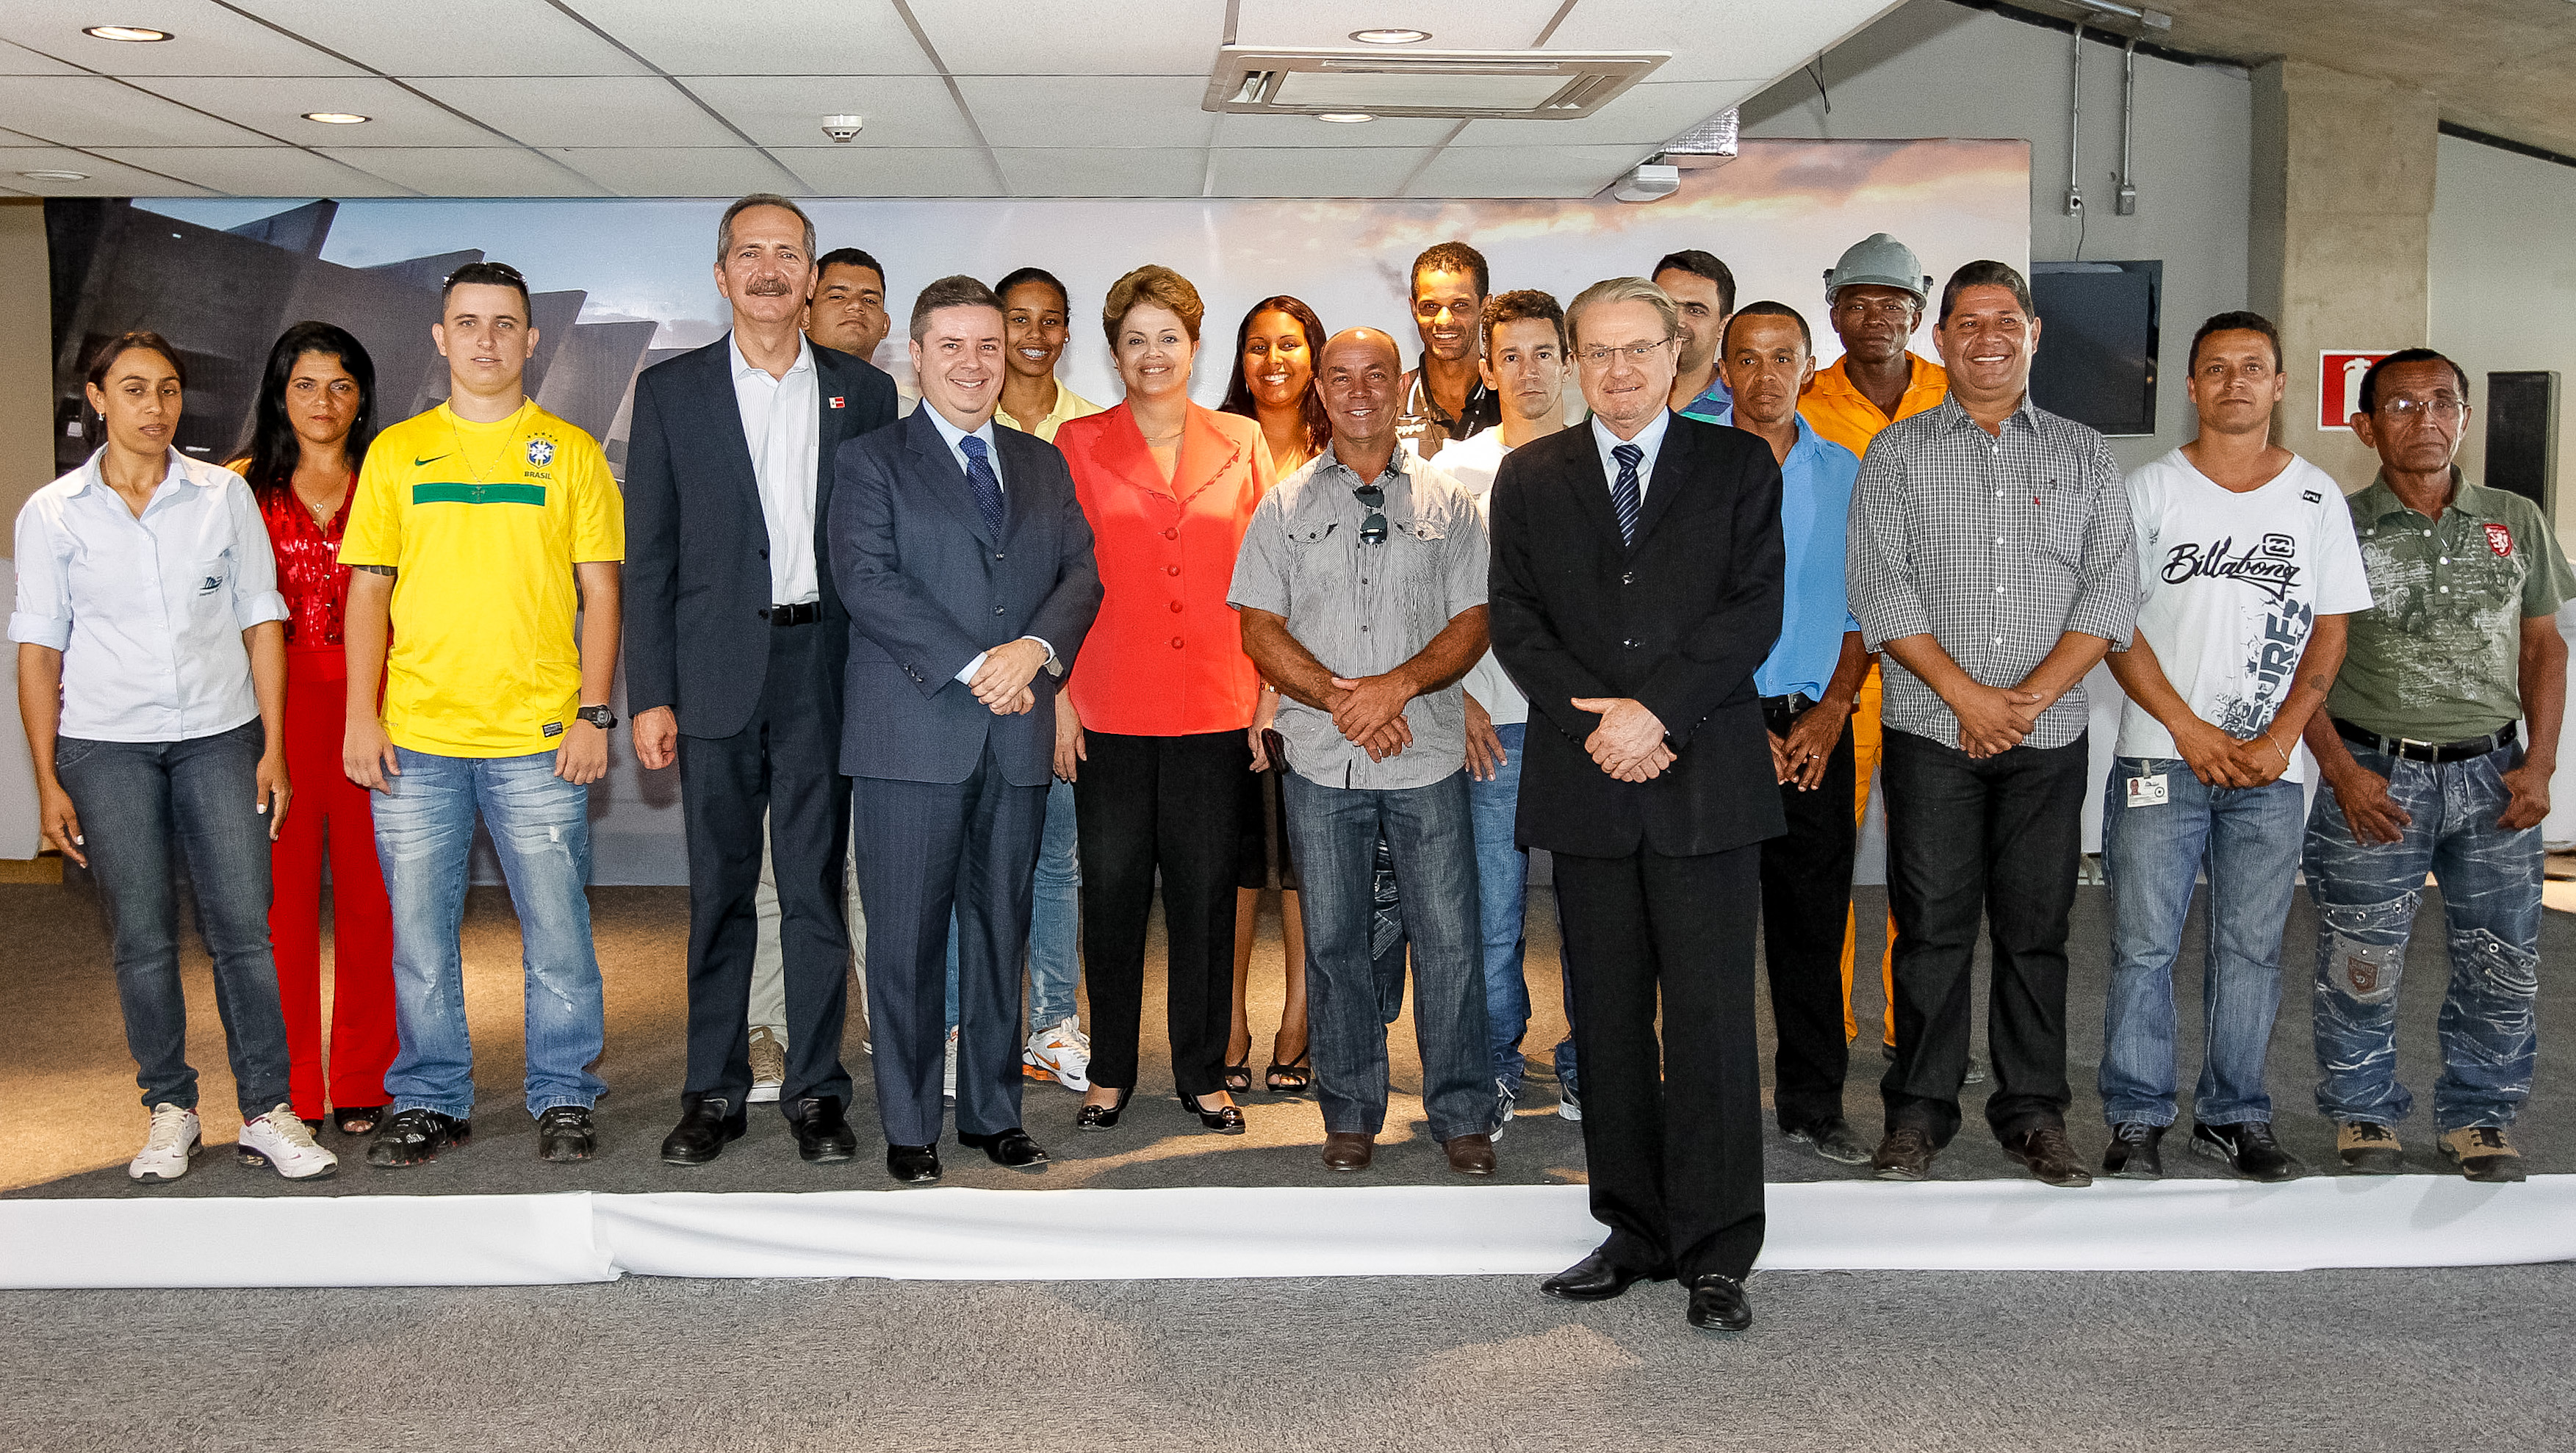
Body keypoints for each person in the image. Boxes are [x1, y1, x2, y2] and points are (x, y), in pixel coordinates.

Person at [1489, 277, 1785, 1334]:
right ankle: (1632, 1227)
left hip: (1703, 774)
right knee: (1606, 1021)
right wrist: (1596, 726)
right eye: (1596, 352)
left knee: (1707, 1022)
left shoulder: (1738, 464)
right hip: (1587, 784)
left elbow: (1752, 611)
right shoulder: (1530, 476)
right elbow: (1517, 625)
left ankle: (1715, 1248)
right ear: (1573, 362)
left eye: (1637, 350)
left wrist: (1651, 713)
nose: (1617, 371)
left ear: (1676, 357)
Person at [13, 331, 335, 1184]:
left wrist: (273, 744)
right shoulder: (52, 513)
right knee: (143, 938)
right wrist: (46, 780)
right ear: (96, 398)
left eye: (167, 390)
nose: (154, 408)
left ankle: (268, 1109)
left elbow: (261, 620)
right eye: (133, 390)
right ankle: (171, 1106)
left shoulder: (220, 497)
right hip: (104, 747)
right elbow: (40, 651)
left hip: (220, 737)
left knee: (243, 930)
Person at [1846, 259, 2137, 1189]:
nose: (1986, 338)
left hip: (2046, 740)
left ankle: (2032, 1114)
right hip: (1933, 732)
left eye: (2002, 321)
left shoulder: (2084, 454)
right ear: (1941, 340)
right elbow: (1878, 590)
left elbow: (2110, 591)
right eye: (1966, 323)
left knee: (2035, 930)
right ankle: (1918, 1114)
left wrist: (2024, 703)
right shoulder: (1897, 453)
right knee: (1928, 930)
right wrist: (1971, 700)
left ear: (2032, 333)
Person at [625, 195, 898, 1168]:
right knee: (724, 894)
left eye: (789, 253)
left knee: (818, 889)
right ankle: (712, 1091)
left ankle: (819, 1090)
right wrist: (648, 691)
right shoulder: (670, 393)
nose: (770, 270)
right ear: (721, 273)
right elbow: (647, 556)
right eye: (752, 253)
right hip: (711, 677)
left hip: (822, 668)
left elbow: (876, 552)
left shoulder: (861, 395)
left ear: (811, 276)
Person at [342, 260, 625, 1168]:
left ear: (532, 340)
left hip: (539, 743)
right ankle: (430, 1097)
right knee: (420, 941)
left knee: (558, 937)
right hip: (417, 741)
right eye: (469, 323)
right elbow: (368, 593)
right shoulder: (394, 452)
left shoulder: (572, 453)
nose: (487, 340)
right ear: (441, 336)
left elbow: (602, 592)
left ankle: (565, 1093)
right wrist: (361, 712)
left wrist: (593, 713)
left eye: (505, 324)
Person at [830, 275, 1101, 1184]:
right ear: (916, 355)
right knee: (905, 941)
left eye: (987, 346)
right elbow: (867, 581)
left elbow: (1080, 577)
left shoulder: (1041, 461)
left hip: (1014, 737)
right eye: (950, 345)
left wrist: (1031, 649)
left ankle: (992, 1113)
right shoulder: (870, 460)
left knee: (1000, 932)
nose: (972, 363)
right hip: (912, 735)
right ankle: (909, 1126)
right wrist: (976, 663)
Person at [2097, 311, 2372, 1182]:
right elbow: (2114, 627)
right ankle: (2137, 1115)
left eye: (2251, 367)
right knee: (2143, 945)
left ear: (2279, 384)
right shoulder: (2149, 490)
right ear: (2189, 385)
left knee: (2250, 949)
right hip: (2158, 756)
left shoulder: (2313, 497)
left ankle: (2232, 1114)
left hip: (2269, 770)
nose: (2233, 383)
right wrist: (2188, 728)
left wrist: (2284, 733)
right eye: (2214, 369)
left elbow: (2328, 631)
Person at [2300, 347, 2572, 1184]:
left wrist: (2540, 767)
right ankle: (2362, 1113)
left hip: (2494, 776)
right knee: (2361, 959)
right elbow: (2296, 666)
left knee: (2502, 958)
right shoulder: (2332, 524)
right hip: (2376, 776)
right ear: (2364, 425)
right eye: (2402, 406)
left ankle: (2479, 1117)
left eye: (2441, 403)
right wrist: (2342, 774)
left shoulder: (2513, 518)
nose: (2425, 421)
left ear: (2462, 416)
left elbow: (2541, 645)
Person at [1231, 326, 1495, 1178]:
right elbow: (1258, 628)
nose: (1356, 391)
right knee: (1336, 941)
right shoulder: (1283, 504)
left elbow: (1472, 622)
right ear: (1323, 392)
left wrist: (1399, 688)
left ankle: (1460, 1113)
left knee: (1448, 937)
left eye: (1374, 375)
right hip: (1320, 758)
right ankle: (1348, 1112)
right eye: (1339, 376)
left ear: (1399, 385)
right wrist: (1346, 698)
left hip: (1424, 757)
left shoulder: (1450, 503)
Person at [1052, 265, 1272, 1136]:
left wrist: (1265, 697)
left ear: (1192, 345)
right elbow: (1058, 578)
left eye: (1168, 338)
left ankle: (1201, 1072)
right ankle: (1108, 1072)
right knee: (1108, 892)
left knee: (1206, 895)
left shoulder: (1242, 440)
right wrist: (1060, 697)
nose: (1153, 354)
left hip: (1217, 702)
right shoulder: (1076, 445)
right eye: (1135, 339)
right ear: (1114, 353)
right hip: (1106, 701)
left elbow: (1266, 580)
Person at [1708, 300, 1872, 1166]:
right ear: (1721, 371)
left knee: (1812, 928)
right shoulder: (1692, 470)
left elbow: (1862, 608)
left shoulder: (1845, 471)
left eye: (1782, 357)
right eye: (1747, 358)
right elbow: (1686, 614)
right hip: (1718, 727)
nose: (1764, 375)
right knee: (1718, 933)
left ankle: (1813, 1105)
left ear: (1808, 367)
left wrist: (1831, 709)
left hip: (1814, 726)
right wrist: (1734, 719)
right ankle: (1720, 1103)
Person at [227, 321, 397, 1138]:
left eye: (339, 384)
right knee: (279, 913)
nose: (322, 401)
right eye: (304, 384)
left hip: (378, 708)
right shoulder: (236, 489)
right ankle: (291, 1086)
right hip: (273, 715)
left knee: (375, 900)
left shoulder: (390, 480)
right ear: (278, 393)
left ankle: (365, 1076)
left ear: (361, 396)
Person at [1408, 288, 1569, 1138]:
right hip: (1491, 724)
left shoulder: (1600, 460)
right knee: (1490, 915)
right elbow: (1428, 599)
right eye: (1510, 356)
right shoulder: (1451, 474)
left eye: (1544, 353)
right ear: (1485, 366)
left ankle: (1589, 1061)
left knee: (1591, 910)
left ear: (1567, 361)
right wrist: (1456, 692)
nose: (1528, 371)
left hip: (1585, 728)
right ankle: (1497, 1062)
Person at [1803, 232, 1951, 1066]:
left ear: (1916, 313)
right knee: (1825, 864)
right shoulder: (1805, 397)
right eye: (1855, 302)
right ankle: (1828, 1027)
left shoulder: (1953, 394)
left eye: (1889, 304)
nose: (1872, 318)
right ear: (1833, 313)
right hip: (1840, 665)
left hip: (1938, 666)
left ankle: (1913, 1028)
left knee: (1926, 867)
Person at [985, 264, 1101, 1092]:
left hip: (1060, 677)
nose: (1032, 335)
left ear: (1066, 333)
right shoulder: (953, 416)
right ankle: (972, 1023)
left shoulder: (1094, 430)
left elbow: (1086, 574)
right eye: (1015, 319)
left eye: (1048, 320)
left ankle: (1054, 1022)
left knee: (1057, 862)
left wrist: (1060, 692)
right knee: (971, 865)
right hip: (966, 685)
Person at [1216, 293, 1330, 1095]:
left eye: (1289, 345)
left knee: (1302, 866)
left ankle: (1298, 1017)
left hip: (1321, 691)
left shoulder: (1343, 447)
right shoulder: (1215, 444)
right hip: (1221, 688)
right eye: (1257, 347)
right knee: (1232, 863)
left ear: (1313, 357)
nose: (1273, 360)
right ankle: (1227, 1019)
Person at [1397, 241, 1500, 457]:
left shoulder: (1511, 397)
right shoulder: (1390, 402)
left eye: (1460, 305)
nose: (1444, 320)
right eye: (1431, 306)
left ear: (1485, 307)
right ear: (1414, 308)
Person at [807, 246, 913, 415]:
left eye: (869, 300)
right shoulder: (781, 399)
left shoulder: (909, 418)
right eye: (837, 297)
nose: (856, 305)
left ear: (885, 326)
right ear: (805, 316)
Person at [1650, 249, 1735, 421]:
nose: (1678, 321)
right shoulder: (1621, 392)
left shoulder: (1742, 407)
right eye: (1667, 306)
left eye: (1695, 311)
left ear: (1723, 327)